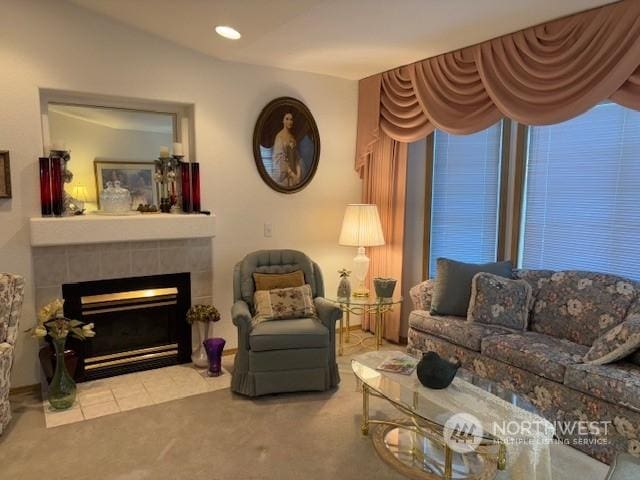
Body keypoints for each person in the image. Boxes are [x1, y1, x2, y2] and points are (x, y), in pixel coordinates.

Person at [272, 112, 301, 187]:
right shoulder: (279, 137)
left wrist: (298, 175)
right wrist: (292, 174)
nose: (289, 121)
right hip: (285, 176)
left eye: (291, 119)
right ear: (283, 121)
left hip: (294, 175)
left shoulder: (292, 138)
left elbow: (296, 158)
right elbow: (279, 159)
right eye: (287, 119)